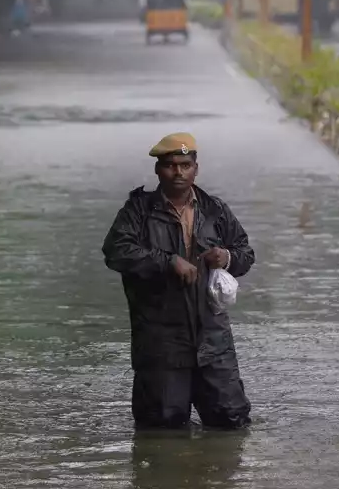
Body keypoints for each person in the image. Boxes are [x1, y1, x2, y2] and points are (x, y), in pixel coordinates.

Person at [101, 132, 256, 430]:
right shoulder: (138, 211)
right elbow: (116, 252)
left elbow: (245, 252)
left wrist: (227, 257)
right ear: (158, 170)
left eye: (185, 165)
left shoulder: (215, 210)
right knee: (161, 430)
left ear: (196, 168)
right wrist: (167, 261)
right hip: (161, 344)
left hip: (214, 341)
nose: (178, 172)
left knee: (231, 423)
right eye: (171, 165)